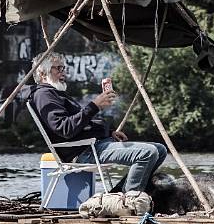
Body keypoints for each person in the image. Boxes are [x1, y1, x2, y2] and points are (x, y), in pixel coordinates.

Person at [30, 52, 167, 192]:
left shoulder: (56, 94)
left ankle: (118, 194)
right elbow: (65, 129)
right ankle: (129, 199)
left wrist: (109, 132)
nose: (63, 73)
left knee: (160, 150)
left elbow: (82, 124)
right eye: (58, 68)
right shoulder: (43, 95)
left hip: (94, 145)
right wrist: (94, 105)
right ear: (42, 73)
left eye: (63, 68)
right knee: (148, 153)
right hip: (84, 152)